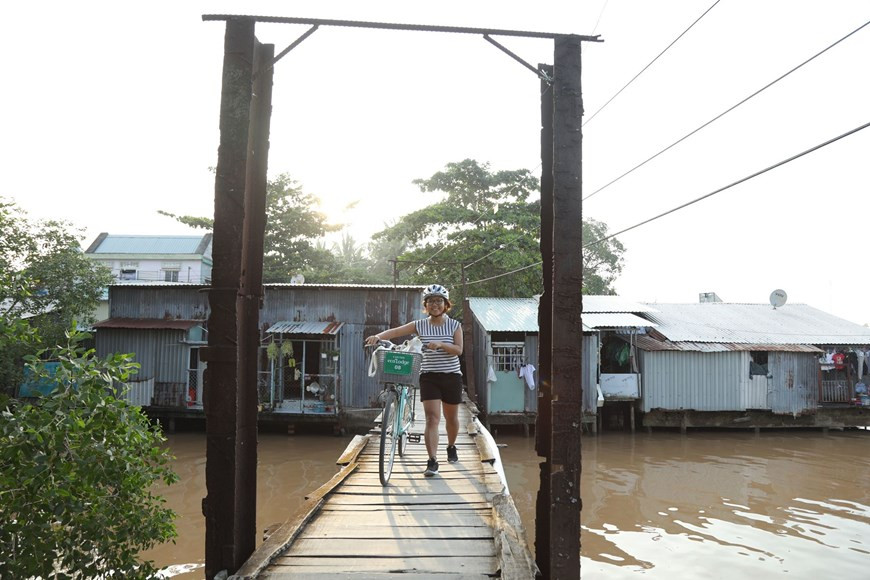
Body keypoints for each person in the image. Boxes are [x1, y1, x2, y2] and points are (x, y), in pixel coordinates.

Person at [365, 283, 463, 477]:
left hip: (452, 376)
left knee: (451, 418)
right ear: (425, 306)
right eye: (431, 301)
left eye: (439, 301)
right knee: (432, 418)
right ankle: (432, 461)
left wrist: (442, 344)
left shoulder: (455, 325)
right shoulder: (420, 325)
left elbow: (459, 350)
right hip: (429, 377)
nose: (435, 305)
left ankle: (451, 446)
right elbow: (395, 332)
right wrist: (377, 336)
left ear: (445, 304)